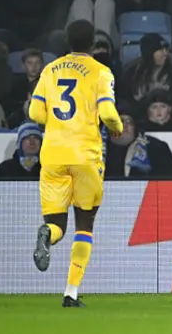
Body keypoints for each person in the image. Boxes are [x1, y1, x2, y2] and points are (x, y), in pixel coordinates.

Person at [28, 19, 123, 307]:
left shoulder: (49, 69)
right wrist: (116, 126)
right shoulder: (100, 71)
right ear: (93, 44)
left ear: (67, 42)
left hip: (53, 155)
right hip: (85, 156)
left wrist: (58, 125)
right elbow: (107, 112)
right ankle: (71, 292)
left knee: (57, 223)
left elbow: (34, 112)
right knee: (85, 224)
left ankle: (49, 234)